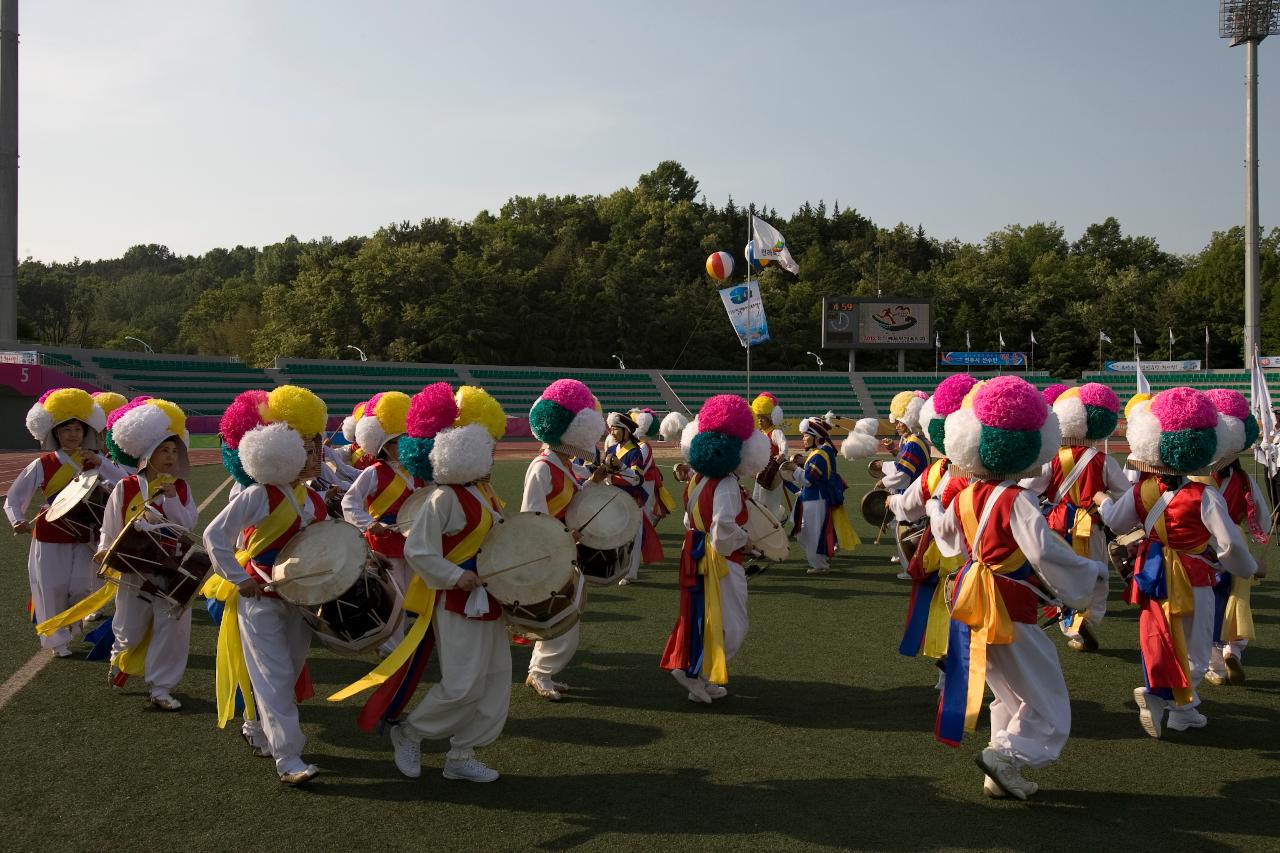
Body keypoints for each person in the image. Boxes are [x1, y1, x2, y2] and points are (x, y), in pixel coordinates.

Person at [927, 375, 1106, 801]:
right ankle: (1005, 757)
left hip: (971, 598)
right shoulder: (1018, 499)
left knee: (1007, 694)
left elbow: (948, 538)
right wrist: (1091, 570)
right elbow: (1044, 552)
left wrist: (934, 504)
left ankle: (1000, 772)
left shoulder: (967, 494)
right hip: (1008, 605)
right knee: (1048, 702)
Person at [1096, 387, 1262, 739]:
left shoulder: (1142, 490)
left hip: (1151, 572)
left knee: (1160, 637)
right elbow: (1229, 544)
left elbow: (1116, 522)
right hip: (1192, 574)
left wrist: (1101, 502)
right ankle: (1169, 699)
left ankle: (1178, 707)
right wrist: (1247, 569)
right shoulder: (1204, 495)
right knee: (1197, 646)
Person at [202, 385, 330, 784]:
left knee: (287, 672)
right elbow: (214, 536)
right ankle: (289, 757)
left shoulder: (315, 501)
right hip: (261, 598)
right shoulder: (259, 495)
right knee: (274, 677)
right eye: (306, 450)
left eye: (317, 449)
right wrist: (240, 580)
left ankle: (256, 725)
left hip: (300, 600)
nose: (314, 458)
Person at [392, 386, 511, 783]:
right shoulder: (442, 497)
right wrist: (458, 576)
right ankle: (409, 732)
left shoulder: (485, 494)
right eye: (486, 448)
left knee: (493, 682)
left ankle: (461, 754)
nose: (491, 454)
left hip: (488, 598)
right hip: (459, 599)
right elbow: (418, 551)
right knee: (461, 684)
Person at [660, 395, 770, 703]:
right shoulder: (727, 485)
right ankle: (694, 672)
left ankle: (700, 675)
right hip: (718, 560)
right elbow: (723, 533)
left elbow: (689, 519)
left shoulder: (697, 479)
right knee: (733, 625)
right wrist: (745, 540)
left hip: (694, 553)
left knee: (701, 616)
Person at [95, 399, 198, 710]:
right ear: (146, 455)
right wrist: (102, 550)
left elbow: (188, 524)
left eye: (173, 451)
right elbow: (110, 526)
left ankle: (161, 688)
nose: (170, 457)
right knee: (129, 628)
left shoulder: (180, 488)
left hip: (172, 569)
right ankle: (119, 658)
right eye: (163, 451)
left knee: (173, 629)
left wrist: (172, 501)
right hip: (134, 569)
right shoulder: (125, 487)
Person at [6, 389, 123, 657]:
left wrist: (102, 464)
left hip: (87, 534)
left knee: (85, 587)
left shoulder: (95, 461)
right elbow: (14, 498)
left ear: (85, 433)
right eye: (66, 429)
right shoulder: (43, 463)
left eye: (77, 430)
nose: (72, 435)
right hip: (50, 534)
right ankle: (57, 642)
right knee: (51, 588)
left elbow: (123, 486)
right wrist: (18, 520)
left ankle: (70, 624)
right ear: (56, 433)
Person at [1018, 384, 1129, 651]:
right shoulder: (1104, 460)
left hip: (1057, 522)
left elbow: (1028, 490)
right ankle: (1090, 616)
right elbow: (1126, 493)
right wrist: (1105, 502)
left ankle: (1071, 625)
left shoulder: (1052, 458)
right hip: (1091, 523)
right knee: (1098, 574)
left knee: (1062, 574)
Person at [521, 379, 608, 700]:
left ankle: (541, 672)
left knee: (563, 617)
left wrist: (593, 482)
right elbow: (532, 517)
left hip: (564, 551)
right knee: (560, 618)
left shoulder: (564, 465)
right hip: (549, 553)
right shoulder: (542, 467)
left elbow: (570, 502)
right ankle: (540, 673)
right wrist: (561, 537)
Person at [886, 374, 976, 672]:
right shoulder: (995, 477)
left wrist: (891, 501)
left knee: (946, 615)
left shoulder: (939, 470)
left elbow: (907, 506)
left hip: (949, 564)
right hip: (986, 568)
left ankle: (949, 676)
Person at [1191, 389, 1269, 687]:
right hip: (1235, 544)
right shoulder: (1246, 479)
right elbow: (1259, 520)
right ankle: (1233, 649)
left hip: (1202, 546)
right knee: (1237, 598)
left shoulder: (1193, 478)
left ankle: (1215, 664)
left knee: (1208, 602)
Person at [342, 391, 424, 652]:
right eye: (399, 441)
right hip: (384, 542)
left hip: (414, 541)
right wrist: (368, 524)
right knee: (395, 595)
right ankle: (392, 647)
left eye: (406, 439)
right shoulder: (373, 472)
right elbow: (349, 503)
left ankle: (409, 639)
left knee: (415, 593)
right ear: (385, 446)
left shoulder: (418, 472)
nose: (405, 444)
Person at [786, 417, 856, 574]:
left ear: (816, 437)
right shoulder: (820, 452)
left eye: (805, 435)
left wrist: (793, 468)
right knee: (805, 531)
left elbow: (809, 479)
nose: (803, 438)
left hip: (815, 499)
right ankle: (819, 559)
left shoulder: (820, 454)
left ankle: (820, 564)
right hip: (812, 498)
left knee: (812, 532)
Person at [607, 412, 662, 584]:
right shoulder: (610, 449)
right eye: (611, 429)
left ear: (626, 431)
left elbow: (637, 479)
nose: (612, 433)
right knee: (617, 535)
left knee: (634, 536)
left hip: (632, 498)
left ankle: (631, 572)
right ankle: (619, 567)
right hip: (615, 497)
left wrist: (621, 466)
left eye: (615, 429)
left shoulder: (635, 452)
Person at [750, 393, 791, 522]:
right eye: (759, 418)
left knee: (770, 503)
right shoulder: (759, 433)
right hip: (760, 475)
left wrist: (782, 454)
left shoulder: (775, 432)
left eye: (763, 418)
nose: (760, 421)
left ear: (770, 418)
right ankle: (779, 518)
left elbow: (783, 444)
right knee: (757, 501)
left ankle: (775, 525)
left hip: (772, 475)